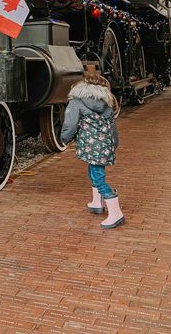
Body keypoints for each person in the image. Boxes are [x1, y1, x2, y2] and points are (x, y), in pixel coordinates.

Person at [60, 72, 124, 229]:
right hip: (104, 146)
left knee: (99, 179)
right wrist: (114, 144)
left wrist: (64, 138)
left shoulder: (77, 101)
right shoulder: (107, 103)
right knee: (93, 171)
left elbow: (70, 124)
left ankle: (116, 214)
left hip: (90, 146)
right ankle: (97, 203)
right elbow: (113, 127)